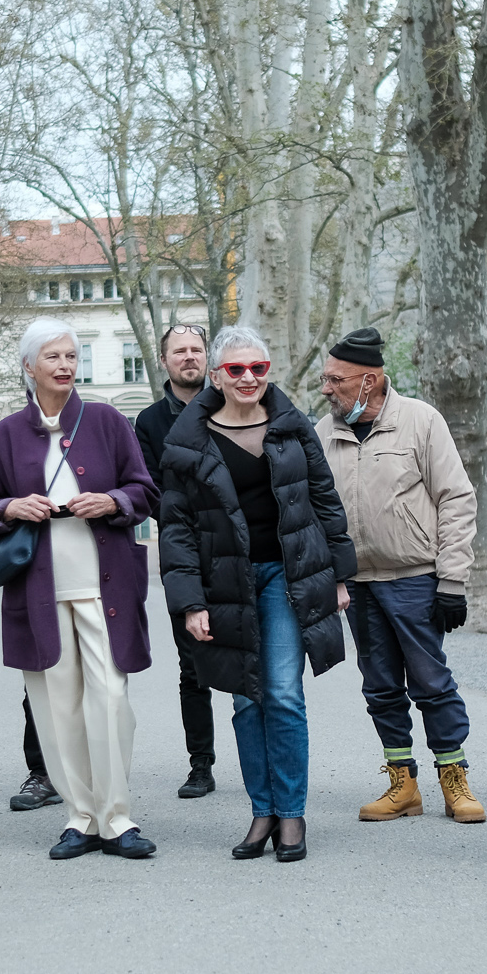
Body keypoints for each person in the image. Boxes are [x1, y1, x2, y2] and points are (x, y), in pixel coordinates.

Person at [157, 325, 355, 862]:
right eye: (237, 370)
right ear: (217, 376)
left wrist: (339, 575)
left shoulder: (292, 428)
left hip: (288, 576)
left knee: (284, 694)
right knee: (246, 698)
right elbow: (174, 527)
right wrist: (190, 602)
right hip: (226, 583)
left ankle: (291, 815)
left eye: (258, 369)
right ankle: (261, 810)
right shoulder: (187, 442)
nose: (248, 378)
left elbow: (324, 500)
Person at [0, 318, 160, 859]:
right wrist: (11, 506)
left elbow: (144, 490)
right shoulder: (6, 433)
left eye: (71, 357)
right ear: (29, 367)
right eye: (52, 357)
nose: (64, 365)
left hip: (107, 588)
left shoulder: (105, 421)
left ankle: (117, 819)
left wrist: (111, 501)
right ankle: (78, 818)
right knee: (57, 707)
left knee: (110, 700)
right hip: (40, 590)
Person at [314, 327, 486, 824]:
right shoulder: (324, 433)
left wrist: (452, 580)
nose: (326, 388)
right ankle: (402, 783)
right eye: (326, 379)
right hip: (358, 585)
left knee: (431, 682)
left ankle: (455, 778)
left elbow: (456, 498)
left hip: (415, 578)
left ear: (368, 381)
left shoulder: (420, 421)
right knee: (380, 685)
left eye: (335, 380)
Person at [132, 322, 220, 799]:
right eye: (179, 351)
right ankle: (200, 764)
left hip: (237, 551)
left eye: (196, 349)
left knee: (251, 659)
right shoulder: (149, 422)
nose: (189, 357)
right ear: (164, 361)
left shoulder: (232, 406)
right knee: (194, 666)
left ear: (207, 357)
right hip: (183, 554)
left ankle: (259, 755)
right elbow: (150, 491)